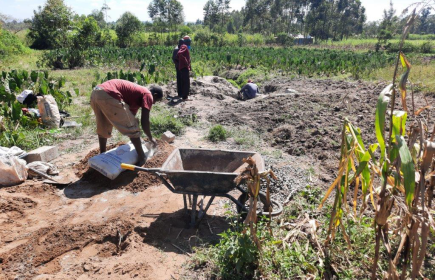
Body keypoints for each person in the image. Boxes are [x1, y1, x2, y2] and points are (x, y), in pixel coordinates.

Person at [90, 79, 163, 166]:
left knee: (103, 126)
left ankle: (102, 155)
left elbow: (129, 116)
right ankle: (142, 157)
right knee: (133, 127)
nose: (153, 103)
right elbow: (144, 121)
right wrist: (150, 138)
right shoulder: (148, 94)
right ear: (154, 95)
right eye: (156, 101)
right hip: (108, 94)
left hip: (95, 93)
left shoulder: (136, 93)